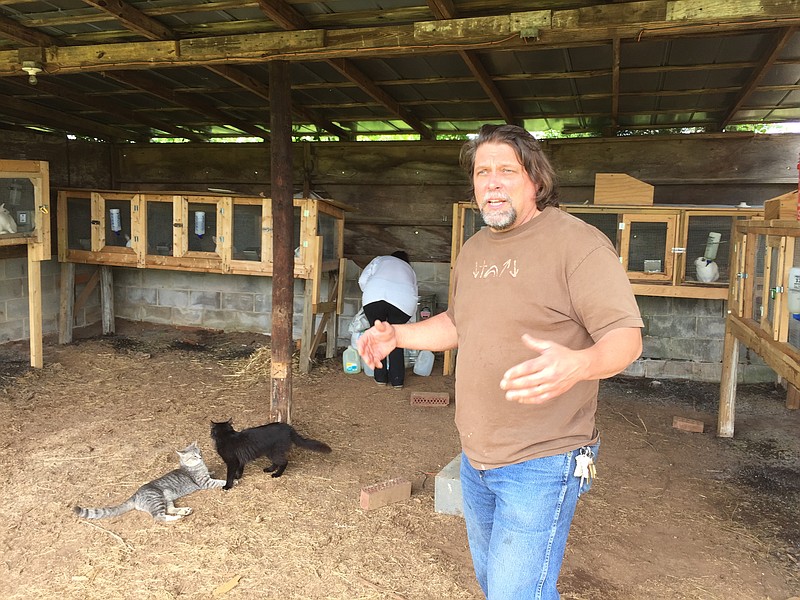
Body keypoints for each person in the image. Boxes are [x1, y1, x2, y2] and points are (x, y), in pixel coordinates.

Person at [358, 124, 643, 599]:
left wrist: (578, 363)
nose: (491, 182)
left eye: (506, 170)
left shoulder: (578, 243)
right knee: (500, 586)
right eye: (481, 172)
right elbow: (458, 323)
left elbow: (626, 338)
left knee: (515, 594)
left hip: (544, 458)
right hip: (476, 457)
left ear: (535, 179)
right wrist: (397, 335)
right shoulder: (473, 251)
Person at [358, 250, 419, 389]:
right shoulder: (409, 269)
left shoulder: (380, 259)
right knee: (396, 337)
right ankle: (397, 380)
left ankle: (380, 377)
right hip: (402, 302)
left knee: (377, 334)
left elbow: (362, 280)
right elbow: (414, 291)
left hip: (374, 298)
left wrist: (370, 291)